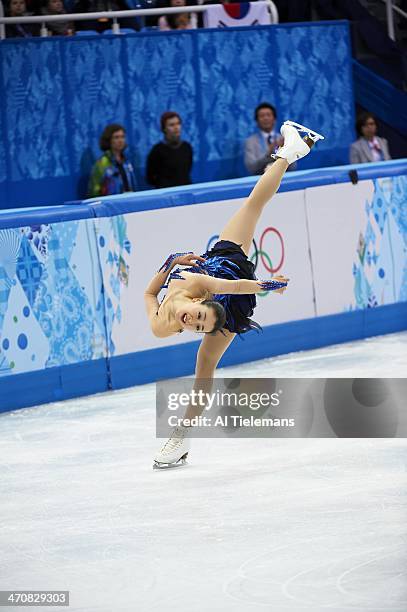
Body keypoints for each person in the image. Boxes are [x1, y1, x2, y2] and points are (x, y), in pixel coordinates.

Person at [144, 120, 324, 468]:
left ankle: (289, 152)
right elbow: (233, 289)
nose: (193, 322)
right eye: (199, 323)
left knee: (254, 204)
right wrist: (268, 285)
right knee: (205, 367)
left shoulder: (180, 305)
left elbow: (151, 295)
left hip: (225, 274)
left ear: (196, 306)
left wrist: (169, 264)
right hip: (231, 286)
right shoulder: (185, 306)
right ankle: (287, 152)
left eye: (196, 323)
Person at [245, 102, 296, 175]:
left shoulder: (283, 139)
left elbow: (293, 167)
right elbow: (252, 168)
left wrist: (285, 153)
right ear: (257, 121)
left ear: (274, 119)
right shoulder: (250, 142)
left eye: (268, 115)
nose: (266, 118)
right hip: (261, 181)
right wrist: (268, 155)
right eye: (262, 116)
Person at [146, 111, 193, 189]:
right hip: (165, 194)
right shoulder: (157, 151)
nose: (176, 127)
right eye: (172, 125)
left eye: (178, 124)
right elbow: (150, 178)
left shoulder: (186, 147)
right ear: (164, 129)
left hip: (186, 191)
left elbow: (187, 170)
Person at [88, 124, 136, 198]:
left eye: (122, 137)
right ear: (109, 140)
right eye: (116, 137)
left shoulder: (127, 162)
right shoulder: (102, 163)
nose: (120, 140)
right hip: (110, 205)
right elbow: (94, 192)